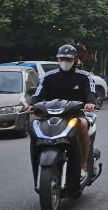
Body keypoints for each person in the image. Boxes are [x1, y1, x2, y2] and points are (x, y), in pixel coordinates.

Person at [31, 44, 96, 187]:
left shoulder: (84, 76)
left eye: (68, 59)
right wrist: (32, 104)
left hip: (75, 115)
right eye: (61, 59)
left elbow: (91, 92)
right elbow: (37, 94)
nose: (65, 62)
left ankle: (84, 164)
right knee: (35, 125)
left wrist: (90, 102)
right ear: (57, 60)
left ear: (75, 60)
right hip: (51, 116)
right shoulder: (47, 77)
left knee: (82, 124)